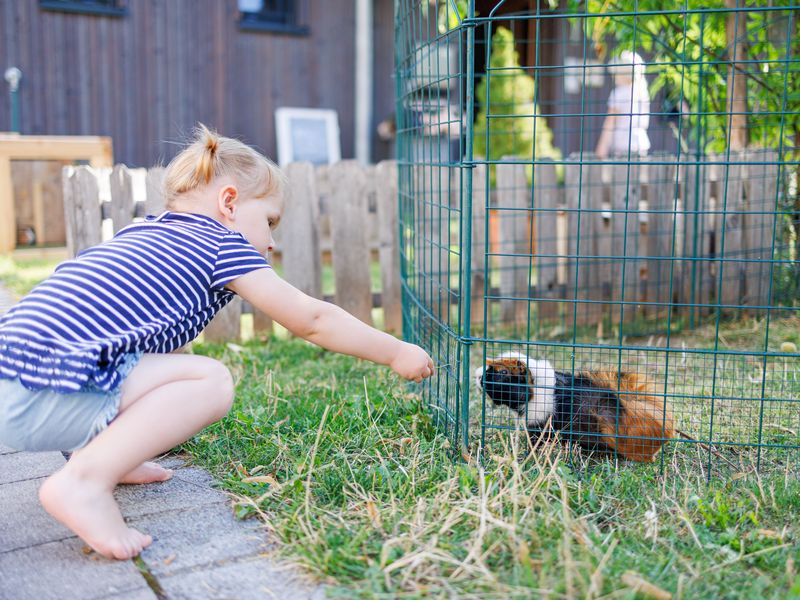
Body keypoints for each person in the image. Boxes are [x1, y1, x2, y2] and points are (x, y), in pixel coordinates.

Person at [0, 125, 434, 561]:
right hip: (40, 394)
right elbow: (313, 319)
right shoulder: (221, 244)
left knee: (156, 362)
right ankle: (83, 482)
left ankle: (112, 456)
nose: (271, 241)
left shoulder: (149, 234)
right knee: (210, 381)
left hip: (17, 377)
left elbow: (133, 347)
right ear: (229, 203)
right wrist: (395, 351)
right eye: (268, 221)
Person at [595, 51, 651, 159]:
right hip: (641, 146)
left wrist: (602, 147)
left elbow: (610, 122)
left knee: (622, 174)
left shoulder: (618, 93)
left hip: (623, 146)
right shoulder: (642, 92)